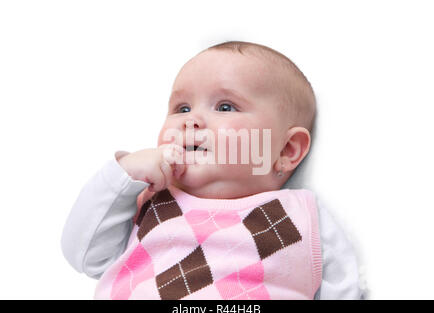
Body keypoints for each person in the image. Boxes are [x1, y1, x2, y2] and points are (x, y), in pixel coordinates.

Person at [61, 41, 364, 299]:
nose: (190, 120)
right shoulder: (149, 200)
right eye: (181, 108)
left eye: (225, 107)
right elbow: (84, 254)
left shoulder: (301, 216)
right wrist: (125, 174)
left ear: (286, 150)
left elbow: (345, 288)